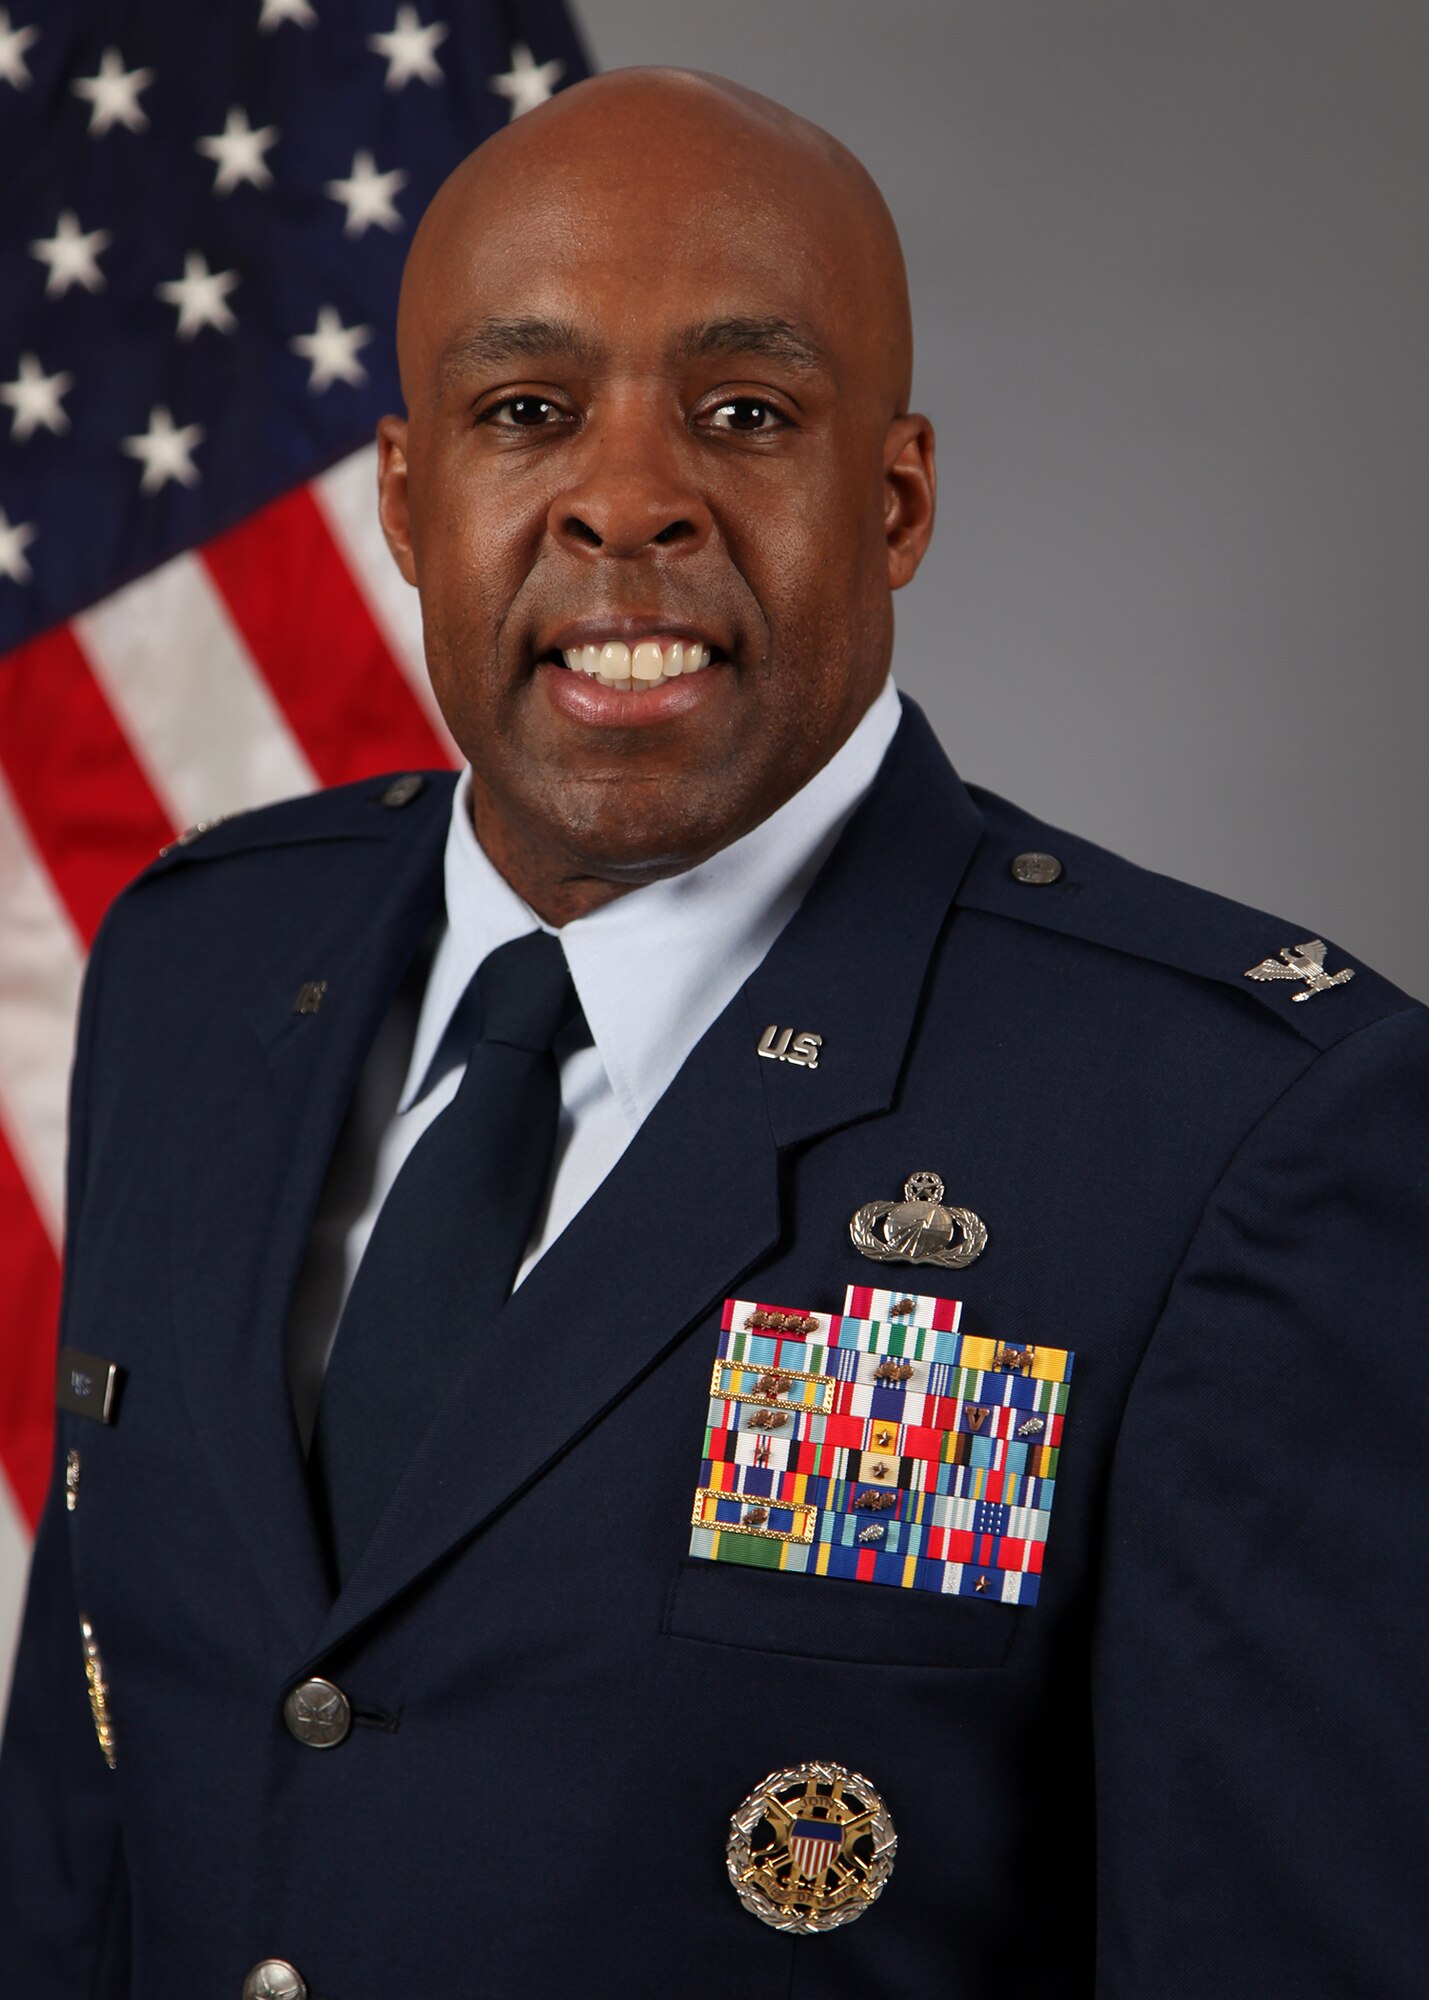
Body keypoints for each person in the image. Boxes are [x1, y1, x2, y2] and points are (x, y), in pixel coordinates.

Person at [2, 67, 1425, 2000]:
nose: (626, 500)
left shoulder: (1228, 1131)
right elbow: (77, 1850)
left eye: (745, 416)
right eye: (526, 414)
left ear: (898, 499)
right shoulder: (197, 966)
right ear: (411, 507)